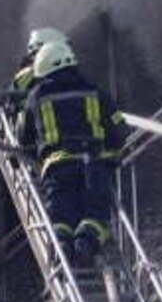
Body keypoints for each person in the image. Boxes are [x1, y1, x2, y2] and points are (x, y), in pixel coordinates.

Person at [10, 27, 126, 266]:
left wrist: (23, 156)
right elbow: (119, 127)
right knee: (95, 209)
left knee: (61, 211)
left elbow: (23, 135)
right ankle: (87, 240)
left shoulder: (36, 96)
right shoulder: (94, 91)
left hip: (57, 166)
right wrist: (113, 156)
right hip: (92, 161)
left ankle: (62, 245)